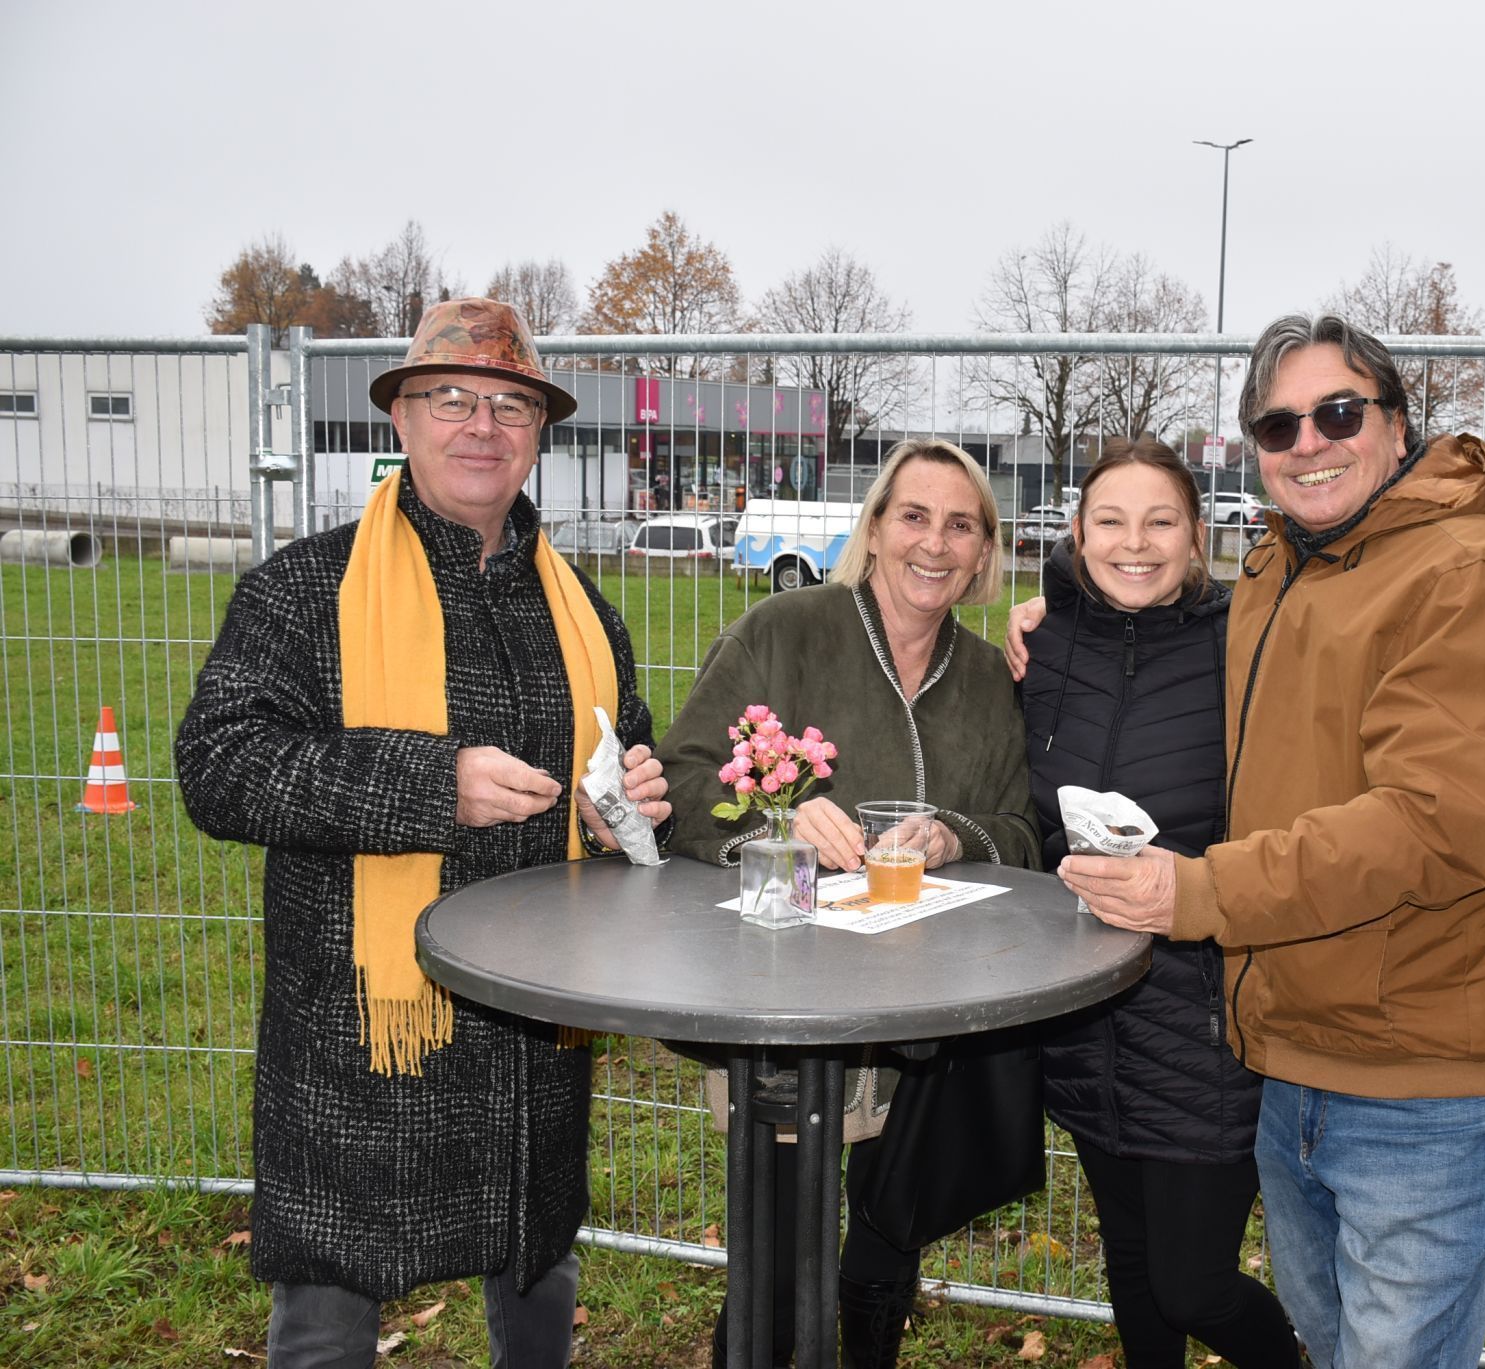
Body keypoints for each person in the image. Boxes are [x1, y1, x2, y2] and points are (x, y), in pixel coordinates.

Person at [1051, 315, 1485, 1369]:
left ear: (1393, 425)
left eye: (1336, 412)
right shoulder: (1280, 572)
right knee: (1331, 1344)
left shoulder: (1468, 575)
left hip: (1423, 1071)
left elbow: (1433, 823)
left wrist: (1197, 894)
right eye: (1277, 423)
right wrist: (1050, 618)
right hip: (1293, 1051)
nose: (1309, 442)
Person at [176, 297, 672, 1369]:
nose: (480, 425)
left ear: (539, 434)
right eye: (450, 398)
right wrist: (429, 783)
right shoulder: (304, 589)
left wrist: (626, 792)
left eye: (508, 404)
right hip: (364, 1022)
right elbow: (218, 768)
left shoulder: (581, 606)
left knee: (537, 1271)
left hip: (533, 1028)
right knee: (330, 1308)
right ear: (399, 420)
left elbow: (617, 747)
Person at [656, 437, 1038, 1368]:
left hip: (929, 1018)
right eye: (913, 516)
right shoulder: (786, 630)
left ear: (984, 552)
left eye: (961, 525)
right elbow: (682, 775)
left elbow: (1025, 834)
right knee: (780, 1258)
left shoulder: (988, 676)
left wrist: (955, 834)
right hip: (791, 1007)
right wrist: (779, 821)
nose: (934, 544)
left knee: (886, 1239)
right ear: (874, 529)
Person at [1019, 437, 1299, 1369]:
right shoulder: (1045, 648)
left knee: (1193, 1282)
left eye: (1160, 521)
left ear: (1194, 535)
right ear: (1078, 533)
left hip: (1201, 1019)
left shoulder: (1245, 647)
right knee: (1134, 1270)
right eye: (1110, 521)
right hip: (1087, 1010)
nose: (1133, 543)